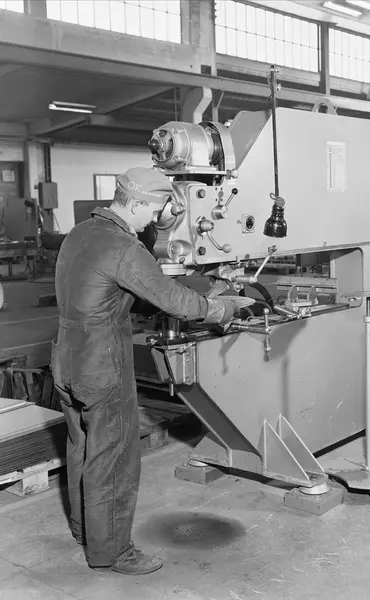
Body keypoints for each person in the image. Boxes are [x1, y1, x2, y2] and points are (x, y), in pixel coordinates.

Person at [52, 167, 242, 576]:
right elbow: (175, 300)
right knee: (114, 456)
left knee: (81, 447)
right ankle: (112, 552)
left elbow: (106, 290)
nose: (156, 219)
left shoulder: (80, 233)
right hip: (101, 361)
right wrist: (220, 309)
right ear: (136, 201)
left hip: (66, 355)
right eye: (154, 211)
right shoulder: (124, 246)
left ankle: (85, 530)